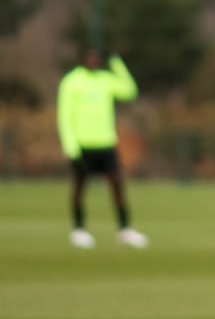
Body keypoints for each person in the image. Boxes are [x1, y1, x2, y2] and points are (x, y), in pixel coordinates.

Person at [56, 47, 148, 249]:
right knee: (79, 188)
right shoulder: (72, 82)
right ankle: (79, 229)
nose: (93, 61)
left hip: (106, 143)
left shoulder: (106, 80)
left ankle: (125, 229)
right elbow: (65, 116)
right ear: (82, 59)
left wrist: (117, 64)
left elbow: (130, 90)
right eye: (89, 57)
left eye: (96, 58)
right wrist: (70, 146)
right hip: (82, 145)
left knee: (117, 186)